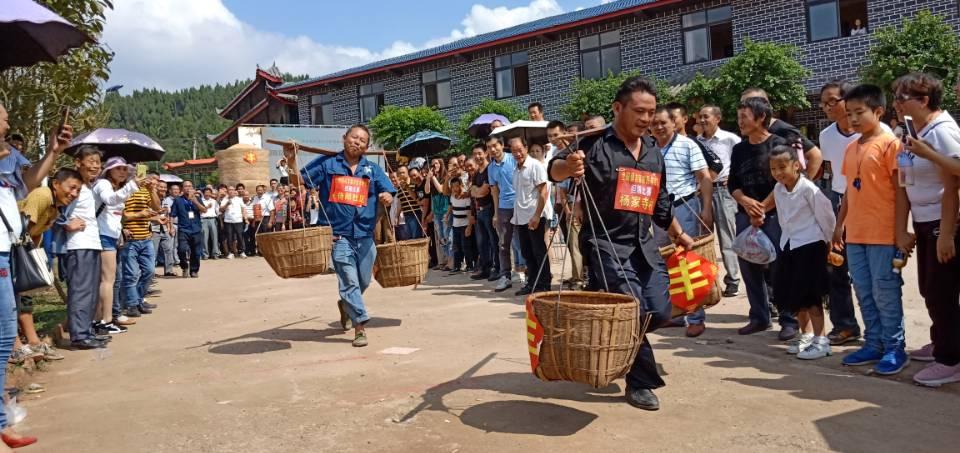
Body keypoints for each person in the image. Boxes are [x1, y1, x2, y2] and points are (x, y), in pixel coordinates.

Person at [548, 76, 695, 411]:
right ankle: (640, 382)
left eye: (651, 112)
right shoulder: (593, 145)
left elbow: (660, 202)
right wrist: (567, 167)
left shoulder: (654, 152)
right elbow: (553, 171)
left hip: (643, 245)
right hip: (605, 245)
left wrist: (679, 233)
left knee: (659, 311)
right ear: (618, 108)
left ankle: (620, 349)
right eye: (639, 111)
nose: (646, 119)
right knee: (633, 310)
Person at [284, 125, 395, 347]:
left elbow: (389, 191)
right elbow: (299, 182)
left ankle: (346, 306)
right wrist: (291, 160)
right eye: (354, 137)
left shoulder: (372, 169)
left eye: (362, 140)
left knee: (363, 281)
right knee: (349, 282)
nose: (357, 142)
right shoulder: (327, 164)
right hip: (338, 237)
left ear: (367, 146)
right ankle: (360, 326)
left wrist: (386, 196)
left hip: (365, 236)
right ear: (344, 139)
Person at [0, 103, 67, 453]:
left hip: (4, 251)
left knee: (5, 333)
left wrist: (53, 151)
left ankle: (0, 422)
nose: (9, 120)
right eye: (4, 116)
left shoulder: (8, 157)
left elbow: (27, 182)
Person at [833, 84, 908, 375]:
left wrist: (901, 231)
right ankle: (873, 343)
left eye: (859, 113)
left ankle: (894, 348)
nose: (852, 119)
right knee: (864, 290)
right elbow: (850, 191)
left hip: (883, 233)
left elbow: (902, 191)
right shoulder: (852, 147)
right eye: (848, 113)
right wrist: (840, 225)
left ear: (878, 111)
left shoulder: (892, 145)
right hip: (856, 234)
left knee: (885, 291)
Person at [892, 72, 960, 386]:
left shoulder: (942, 131)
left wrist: (946, 234)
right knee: (929, 289)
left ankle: (950, 359)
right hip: (923, 220)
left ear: (923, 101)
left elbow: (954, 182)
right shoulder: (913, 131)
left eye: (901, 98)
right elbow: (904, 181)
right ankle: (942, 341)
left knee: (941, 291)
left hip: (940, 221)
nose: (896, 103)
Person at [730, 97, 800, 340]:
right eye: (739, 117)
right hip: (746, 214)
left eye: (744, 117)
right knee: (749, 267)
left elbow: (787, 180)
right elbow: (733, 184)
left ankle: (789, 320)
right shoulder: (739, 149)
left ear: (761, 118)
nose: (740, 122)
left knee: (781, 269)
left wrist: (762, 208)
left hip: (776, 215)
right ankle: (759, 317)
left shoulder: (779, 144)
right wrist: (746, 203)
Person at [650, 107, 713, 337]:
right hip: (658, 213)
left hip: (684, 207)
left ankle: (696, 317)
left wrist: (706, 208)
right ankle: (675, 314)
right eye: (654, 123)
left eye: (663, 123)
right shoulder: (648, 148)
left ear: (674, 123)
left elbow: (704, 177)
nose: (658, 127)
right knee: (664, 263)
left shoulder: (687, 144)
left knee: (688, 262)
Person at [817, 80, 871, 345]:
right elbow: (828, 171)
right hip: (837, 200)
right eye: (823, 102)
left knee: (866, 272)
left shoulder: (872, 134)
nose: (826, 107)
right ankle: (845, 325)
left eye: (831, 101)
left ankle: (879, 331)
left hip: (867, 204)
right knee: (835, 266)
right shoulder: (826, 135)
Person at [770, 145, 837, 359]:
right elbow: (783, 217)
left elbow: (826, 216)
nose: (778, 172)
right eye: (773, 168)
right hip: (789, 243)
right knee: (793, 294)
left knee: (811, 295)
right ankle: (806, 335)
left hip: (810, 244)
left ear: (796, 165)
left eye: (782, 167)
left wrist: (828, 242)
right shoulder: (779, 190)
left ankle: (822, 340)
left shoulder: (809, 189)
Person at [12, 169, 82, 363]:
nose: (74, 194)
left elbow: (36, 233)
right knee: (10, 298)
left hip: (23, 248)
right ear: (56, 184)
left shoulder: (56, 207)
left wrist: (33, 257)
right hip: (10, 247)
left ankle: (34, 342)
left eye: (78, 190)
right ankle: (15, 346)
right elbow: (22, 226)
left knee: (25, 294)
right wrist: (22, 258)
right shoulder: (42, 195)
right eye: (71, 188)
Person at [698, 105, 743, 297]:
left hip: (724, 192)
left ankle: (732, 280)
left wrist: (732, 178)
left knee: (727, 238)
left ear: (717, 118)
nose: (702, 120)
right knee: (703, 240)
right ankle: (708, 281)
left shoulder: (730, 139)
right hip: (701, 193)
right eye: (700, 117)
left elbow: (741, 161)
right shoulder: (696, 142)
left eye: (706, 116)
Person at [92, 156, 141, 333]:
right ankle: (105, 320)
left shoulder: (116, 188)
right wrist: (132, 185)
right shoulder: (103, 184)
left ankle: (99, 319)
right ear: (108, 170)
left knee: (106, 280)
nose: (122, 171)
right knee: (107, 280)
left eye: (124, 169)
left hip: (110, 236)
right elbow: (110, 200)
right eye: (118, 168)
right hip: (102, 236)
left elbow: (115, 214)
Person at [740, 88, 824, 181]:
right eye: (743, 104)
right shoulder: (749, 131)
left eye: (751, 102)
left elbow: (816, 155)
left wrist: (801, 188)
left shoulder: (783, 130)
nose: (744, 108)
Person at [509, 136, 553, 295]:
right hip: (520, 217)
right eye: (514, 151)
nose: (517, 153)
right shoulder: (516, 169)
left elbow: (543, 191)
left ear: (526, 148)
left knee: (538, 251)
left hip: (534, 215)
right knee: (527, 252)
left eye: (519, 150)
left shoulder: (535, 165)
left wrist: (536, 215)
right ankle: (532, 283)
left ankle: (544, 283)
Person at [119, 171, 160, 320]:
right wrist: (125, 225)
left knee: (149, 271)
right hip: (130, 239)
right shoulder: (123, 191)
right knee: (131, 275)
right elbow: (120, 214)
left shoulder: (145, 190)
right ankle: (131, 305)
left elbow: (156, 206)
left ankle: (138, 299)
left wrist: (152, 190)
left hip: (146, 237)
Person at [486, 135, 522, 292]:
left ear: (501, 145)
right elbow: (494, 191)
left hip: (520, 205)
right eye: (489, 147)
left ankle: (527, 273)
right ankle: (505, 276)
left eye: (495, 145)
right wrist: (495, 213)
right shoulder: (491, 168)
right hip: (503, 208)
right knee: (503, 244)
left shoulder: (513, 159)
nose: (493, 149)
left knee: (522, 242)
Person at [468, 145, 498, 280]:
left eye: (480, 153)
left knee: (493, 241)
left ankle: (497, 268)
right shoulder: (476, 174)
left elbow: (484, 191)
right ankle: (485, 268)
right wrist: (477, 191)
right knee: (482, 242)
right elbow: (473, 191)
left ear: (485, 153)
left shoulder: (489, 170)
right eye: (475, 154)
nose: (477, 157)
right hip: (479, 211)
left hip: (489, 209)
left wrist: (477, 190)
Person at [170, 180, 207, 278]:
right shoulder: (178, 200)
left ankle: (194, 270)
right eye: (186, 186)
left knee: (196, 251)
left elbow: (204, 210)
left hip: (196, 229)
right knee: (181, 249)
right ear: (182, 188)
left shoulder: (198, 198)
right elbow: (172, 215)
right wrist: (171, 228)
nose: (188, 188)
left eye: (190, 186)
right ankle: (184, 266)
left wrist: (194, 200)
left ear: (193, 188)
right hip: (183, 229)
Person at [424, 158, 450, 269]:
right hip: (436, 212)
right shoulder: (431, 178)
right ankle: (443, 261)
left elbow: (440, 190)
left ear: (441, 164)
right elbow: (427, 191)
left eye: (436, 163)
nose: (434, 165)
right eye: (432, 164)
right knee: (440, 238)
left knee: (447, 235)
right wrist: (428, 178)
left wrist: (433, 177)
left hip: (445, 210)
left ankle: (450, 260)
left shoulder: (445, 177)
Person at [151, 180, 177, 278]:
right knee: (153, 251)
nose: (163, 189)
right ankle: (151, 272)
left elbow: (168, 214)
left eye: (165, 187)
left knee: (169, 249)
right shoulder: (151, 199)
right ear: (156, 187)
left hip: (165, 228)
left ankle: (169, 271)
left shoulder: (166, 200)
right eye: (161, 187)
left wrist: (170, 228)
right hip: (154, 228)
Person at [447, 178, 472, 273]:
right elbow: (451, 206)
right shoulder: (452, 197)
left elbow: (469, 212)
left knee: (466, 246)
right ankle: (457, 266)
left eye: (457, 186)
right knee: (456, 246)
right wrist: (446, 215)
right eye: (453, 187)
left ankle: (470, 265)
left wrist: (469, 226)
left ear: (461, 185)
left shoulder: (466, 198)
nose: (455, 189)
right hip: (455, 225)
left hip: (464, 225)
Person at [221, 186, 246, 258]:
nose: (231, 191)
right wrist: (227, 204)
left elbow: (243, 208)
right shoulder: (224, 199)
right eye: (229, 190)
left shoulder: (239, 199)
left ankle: (242, 251)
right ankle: (230, 253)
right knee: (229, 237)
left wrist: (245, 218)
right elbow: (221, 210)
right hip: (228, 221)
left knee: (240, 236)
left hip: (238, 220)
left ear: (235, 191)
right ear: (227, 191)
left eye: (232, 190)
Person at [200, 187, 220, 259]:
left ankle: (215, 254)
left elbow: (217, 211)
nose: (207, 194)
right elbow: (199, 211)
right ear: (203, 193)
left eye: (209, 192)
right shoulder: (200, 200)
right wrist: (207, 207)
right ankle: (205, 254)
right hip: (204, 220)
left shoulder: (214, 201)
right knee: (204, 238)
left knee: (214, 237)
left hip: (213, 219)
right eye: (206, 192)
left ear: (211, 193)